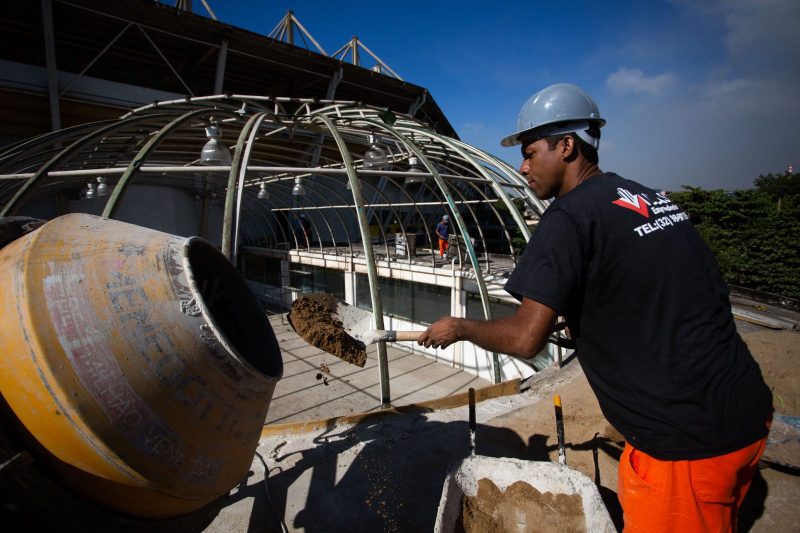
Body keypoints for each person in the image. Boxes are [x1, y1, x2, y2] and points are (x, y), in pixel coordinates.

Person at [417, 83, 773, 532]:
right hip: (746, 412)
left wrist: (459, 327)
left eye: (530, 153)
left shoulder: (567, 216)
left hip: (686, 444)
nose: (522, 167)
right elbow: (669, 289)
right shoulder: (648, 199)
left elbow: (527, 339)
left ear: (567, 146)